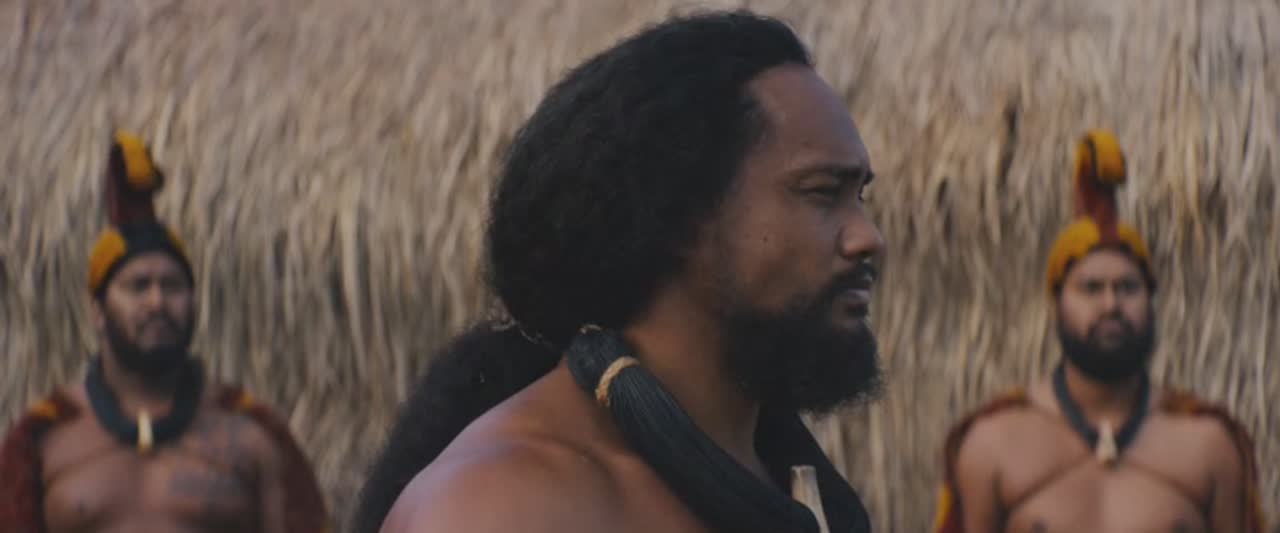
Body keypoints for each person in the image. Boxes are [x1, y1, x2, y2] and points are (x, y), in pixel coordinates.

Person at [356, 10, 886, 533]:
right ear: (679, 216)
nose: (869, 238)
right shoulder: (501, 507)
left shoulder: (793, 489)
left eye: (859, 196)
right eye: (822, 192)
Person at [931, 129, 1266, 533]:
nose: (1111, 305)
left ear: (1150, 302)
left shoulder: (1209, 445)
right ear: (1056, 305)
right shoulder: (992, 444)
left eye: (1128, 287)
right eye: (1091, 288)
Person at [0, 131, 331, 533]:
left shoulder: (254, 436)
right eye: (138, 286)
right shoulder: (44, 439)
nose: (157, 302)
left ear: (193, 303)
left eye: (172, 286)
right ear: (97, 311)